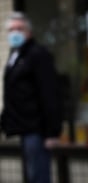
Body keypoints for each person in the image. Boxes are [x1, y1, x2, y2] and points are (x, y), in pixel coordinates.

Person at [1, 11, 62, 183]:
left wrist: (52, 132)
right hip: (24, 128)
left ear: (28, 31)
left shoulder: (38, 54)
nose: (15, 33)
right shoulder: (16, 56)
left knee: (39, 175)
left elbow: (50, 93)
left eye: (19, 28)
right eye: (11, 30)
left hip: (37, 130)